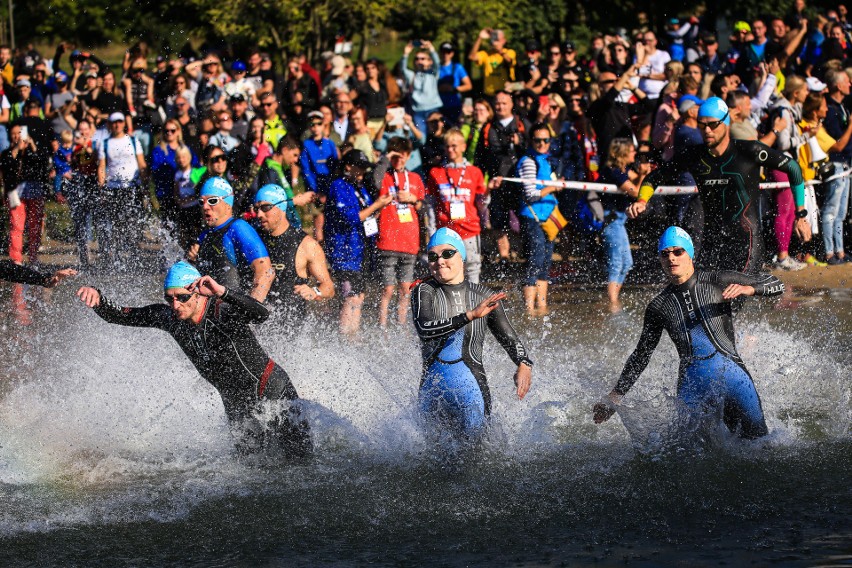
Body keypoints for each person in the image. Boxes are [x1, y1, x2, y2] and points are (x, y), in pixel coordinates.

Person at [76, 262, 311, 457]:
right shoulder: (169, 317)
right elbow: (121, 315)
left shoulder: (222, 310)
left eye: (182, 297)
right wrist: (98, 297)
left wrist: (223, 292)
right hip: (236, 402)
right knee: (251, 470)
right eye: (170, 299)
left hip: (272, 391)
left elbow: (262, 314)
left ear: (198, 293)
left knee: (299, 463)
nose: (175, 305)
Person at [593, 227, 784, 439]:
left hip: (736, 380)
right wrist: (615, 396)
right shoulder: (659, 306)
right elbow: (641, 355)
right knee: (689, 461)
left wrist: (750, 289)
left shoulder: (718, 280)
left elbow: (776, 284)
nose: (671, 258)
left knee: (760, 446)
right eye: (665, 254)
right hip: (692, 389)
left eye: (678, 252)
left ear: (690, 254)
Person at [630, 97, 811, 273]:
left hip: (748, 244)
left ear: (726, 123)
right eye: (702, 125)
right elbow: (654, 177)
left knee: (733, 297)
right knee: (700, 298)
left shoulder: (749, 151)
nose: (707, 130)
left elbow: (793, 168)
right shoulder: (694, 156)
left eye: (713, 124)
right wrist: (641, 200)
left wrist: (801, 214)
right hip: (712, 243)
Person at [411, 228, 532, 440]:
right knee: (429, 463)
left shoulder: (483, 295)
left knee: (476, 459)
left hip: (473, 390)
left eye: (447, 254)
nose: (440, 261)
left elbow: (509, 338)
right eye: (433, 256)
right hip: (432, 392)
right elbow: (425, 329)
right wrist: (470, 315)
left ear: (462, 257)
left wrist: (524, 364)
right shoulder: (423, 291)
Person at [325, 150, 393, 336]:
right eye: (360, 168)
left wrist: (379, 209)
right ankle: (345, 340)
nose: (363, 172)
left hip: (362, 252)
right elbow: (349, 218)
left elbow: (367, 216)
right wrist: (377, 205)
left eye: (365, 168)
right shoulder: (338, 186)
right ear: (348, 167)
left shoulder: (360, 188)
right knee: (350, 298)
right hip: (345, 253)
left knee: (360, 297)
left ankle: (353, 338)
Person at [252, 184, 335, 324]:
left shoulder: (307, 245)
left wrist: (315, 291)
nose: (259, 214)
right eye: (256, 209)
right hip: (259, 327)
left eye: (265, 208)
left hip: (292, 333)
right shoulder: (253, 239)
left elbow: (329, 287)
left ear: (282, 207)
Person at [191, 177, 274, 302]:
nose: (205, 207)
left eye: (212, 201)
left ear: (228, 203)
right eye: (201, 202)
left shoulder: (239, 228)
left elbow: (266, 271)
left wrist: (251, 310)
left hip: (236, 310)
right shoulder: (205, 235)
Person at [427, 128, 488, 283]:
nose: (450, 149)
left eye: (454, 146)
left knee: (472, 267)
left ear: (463, 147)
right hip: (445, 231)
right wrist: (431, 230)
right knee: (446, 269)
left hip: (469, 229)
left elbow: (481, 204)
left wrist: (489, 193)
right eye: (447, 146)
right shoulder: (436, 172)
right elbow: (430, 206)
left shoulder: (474, 172)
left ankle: (474, 303)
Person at [375, 137, 424, 328]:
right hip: (387, 240)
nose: (399, 160)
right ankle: (383, 328)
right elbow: (375, 180)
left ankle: (402, 327)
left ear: (409, 156)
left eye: (402, 156)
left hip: (409, 241)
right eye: (396, 155)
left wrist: (412, 198)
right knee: (387, 289)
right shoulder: (385, 176)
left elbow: (422, 205)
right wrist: (386, 158)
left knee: (405, 289)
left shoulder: (415, 178)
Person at [516, 123, 562, 314]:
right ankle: (529, 308)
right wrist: (553, 187)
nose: (542, 143)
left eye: (546, 140)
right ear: (531, 141)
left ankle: (542, 306)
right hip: (532, 217)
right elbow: (530, 193)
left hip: (549, 218)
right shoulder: (528, 161)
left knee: (545, 262)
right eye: (538, 140)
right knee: (535, 260)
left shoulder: (549, 160)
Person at [598, 139, 649, 312]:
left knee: (627, 262)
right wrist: (642, 175)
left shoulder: (624, 170)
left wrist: (646, 174)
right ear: (622, 153)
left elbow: (642, 181)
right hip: (611, 221)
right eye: (631, 151)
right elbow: (636, 192)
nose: (634, 154)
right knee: (617, 262)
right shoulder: (612, 171)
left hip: (620, 222)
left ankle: (613, 299)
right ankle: (611, 302)